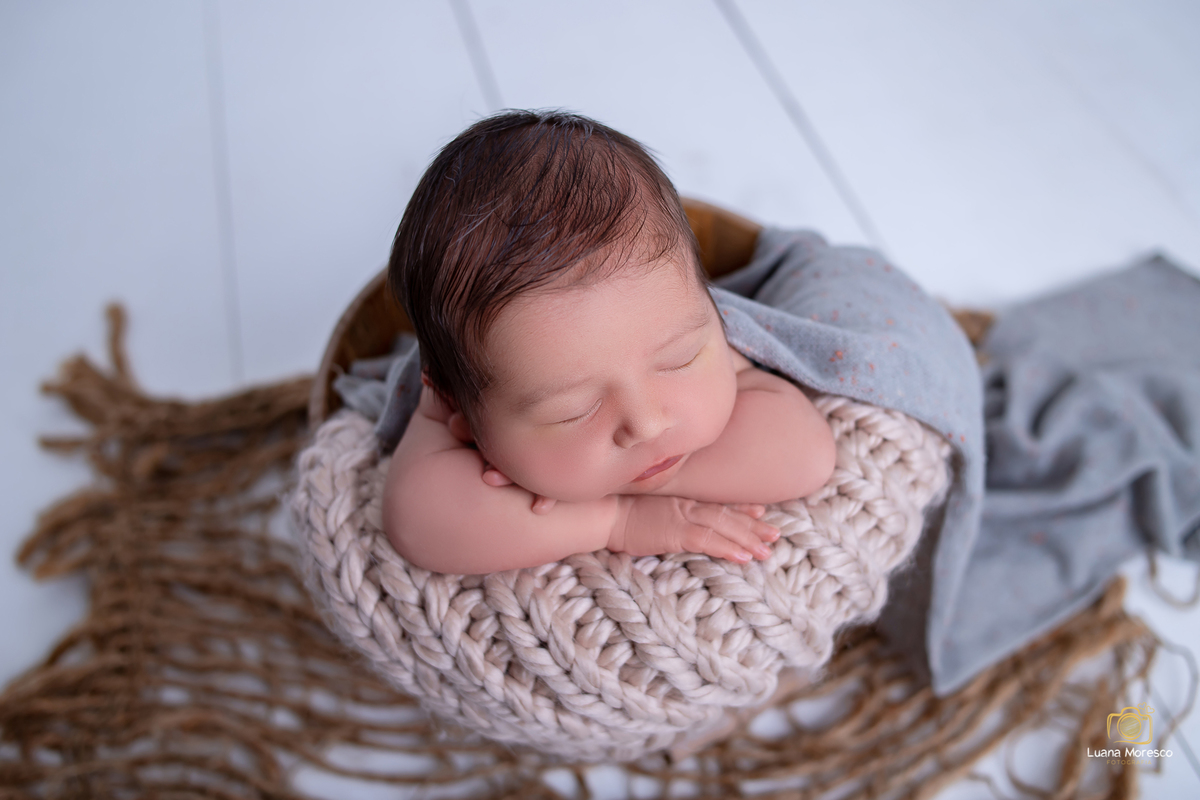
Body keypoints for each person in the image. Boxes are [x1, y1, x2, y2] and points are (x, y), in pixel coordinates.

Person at [382, 110, 836, 574]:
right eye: (573, 410)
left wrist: (611, 485)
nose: (646, 424)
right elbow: (420, 524)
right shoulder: (450, 396)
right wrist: (616, 520)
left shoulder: (677, 316)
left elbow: (806, 455)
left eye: (678, 361)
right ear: (457, 407)